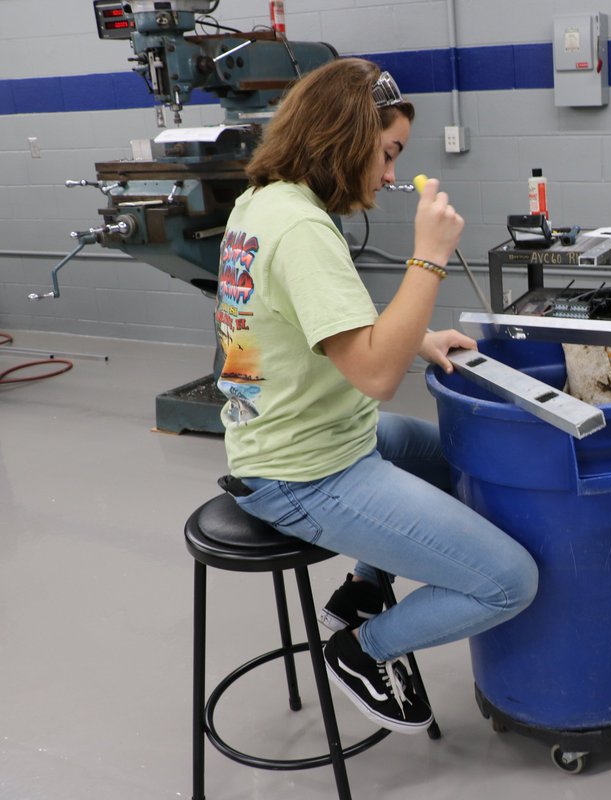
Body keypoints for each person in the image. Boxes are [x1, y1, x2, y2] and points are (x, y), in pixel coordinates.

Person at [213, 57, 538, 734]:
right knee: (511, 581)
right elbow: (376, 377)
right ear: (349, 136)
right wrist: (429, 257)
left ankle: (363, 588)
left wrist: (414, 338)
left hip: (297, 436)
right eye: (387, 154)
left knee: (464, 468)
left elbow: (308, 331)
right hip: (305, 473)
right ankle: (363, 649)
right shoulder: (302, 230)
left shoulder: (265, 202)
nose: (390, 175)